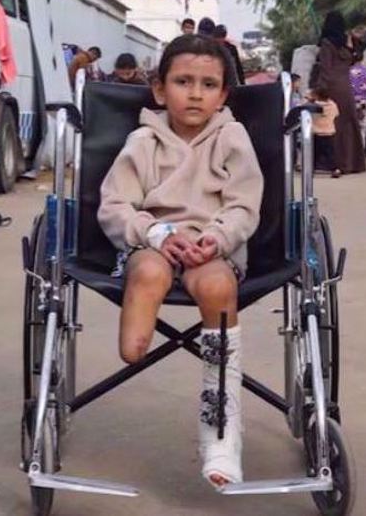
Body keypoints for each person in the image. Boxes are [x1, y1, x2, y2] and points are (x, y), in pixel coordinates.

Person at [97, 34, 263, 489]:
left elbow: (245, 204)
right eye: (183, 81)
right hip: (154, 241)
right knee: (149, 270)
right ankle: (135, 342)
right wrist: (155, 232)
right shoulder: (143, 141)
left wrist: (216, 238)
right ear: (159, 89)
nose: (195, 93)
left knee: (215, 288)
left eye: (208, 84)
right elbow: (115, 204)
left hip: (213, 247)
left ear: (224, 94)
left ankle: (221, 434)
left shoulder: (232, 138)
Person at [312, 11, 366, 176]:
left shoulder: (327, 44)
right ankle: (353, 163)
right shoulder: (347, 43)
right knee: (349, 124)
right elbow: (354, 59)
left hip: (333, 88)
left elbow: (325, 69)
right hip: (346, 87)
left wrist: (318, 91)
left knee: (333, 125)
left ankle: (337, 164)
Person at [308, 87, 341, 177]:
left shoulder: (313, 106)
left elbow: (308, 115)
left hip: (316, 132)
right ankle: (335, 169)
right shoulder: (333, 105)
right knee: (330, 153)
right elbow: (337, 114)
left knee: (314, 152)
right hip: (329, 131)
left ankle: (311, 169)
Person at [349, 50, 366, 148]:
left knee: (351, 128)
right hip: (364, 102)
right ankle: (360, 151)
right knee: (362, 127)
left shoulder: (347, 72)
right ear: (362, 58)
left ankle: (351, 151)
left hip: (351, 102)